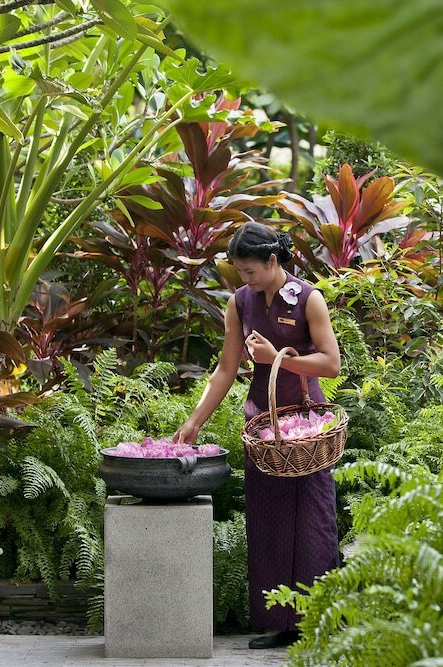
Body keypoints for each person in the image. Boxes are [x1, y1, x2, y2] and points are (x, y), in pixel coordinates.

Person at [174, 220, 342, 649]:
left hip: (306, 426)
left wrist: (276, 360)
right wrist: (195, 421)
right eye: (239, 271)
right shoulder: (240, 302)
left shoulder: (309, 298)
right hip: (262, 426)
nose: (244, 278)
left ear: (272, 260)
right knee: (267, 522)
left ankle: (315, 622)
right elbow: (225, 369)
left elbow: (330, 363)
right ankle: (276, 623)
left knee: (313, 519)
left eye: (249, 270)